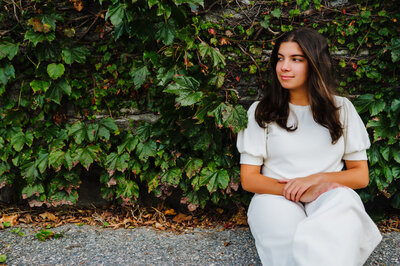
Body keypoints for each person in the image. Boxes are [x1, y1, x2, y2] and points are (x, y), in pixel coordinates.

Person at [236, 28, 382, 266]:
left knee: (342, 206)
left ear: (315, 64)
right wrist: (299, 191)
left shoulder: (341, 109)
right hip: (275, 197)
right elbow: (249, 179)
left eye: (296, 59)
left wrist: (316, 181)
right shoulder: (261, 111)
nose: (284, 67)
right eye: (280, 58)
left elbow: (360, 175)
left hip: (328, 193)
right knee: (288, 244)